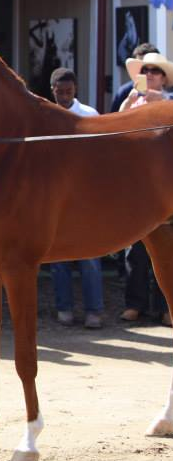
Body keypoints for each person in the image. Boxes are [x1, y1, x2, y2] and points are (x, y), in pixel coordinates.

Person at [118, 52, 173, 326]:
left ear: (164, 77)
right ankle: (135, 304)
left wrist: (162, 103)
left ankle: (167, 308)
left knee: (168, 252)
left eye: (154, 70)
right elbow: (113, 130)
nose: (149, 74)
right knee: (135, 250)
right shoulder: (132, 100)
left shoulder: (170, 103)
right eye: (146, 70)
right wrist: (129, 103)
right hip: (137, 187)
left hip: (166, 186)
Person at [48, 67, 104, 329]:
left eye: (69, 92)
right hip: (56, 195)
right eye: (60, 93)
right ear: (53, 91)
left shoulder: (89, 115)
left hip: (84, 194)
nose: (65, 97)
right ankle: (64, 308)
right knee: (59, 258)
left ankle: (94, 310)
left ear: (76, 90)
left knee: (90, 257)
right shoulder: (45, 115)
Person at [111, 43, 158, 112]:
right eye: (142, 68)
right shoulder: (125, 92)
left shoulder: (168, 93)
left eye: (154, 69)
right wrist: (128, 102)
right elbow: (113, 119)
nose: (148, 73)